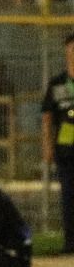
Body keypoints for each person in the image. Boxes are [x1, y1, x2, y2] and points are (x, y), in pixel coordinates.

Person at [40, 33, 74, 254]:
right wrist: (48, 146)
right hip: (66, 147)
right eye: (70, 52)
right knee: (69, 196)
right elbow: (47, 117)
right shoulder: (57, 83)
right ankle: (71, 242)